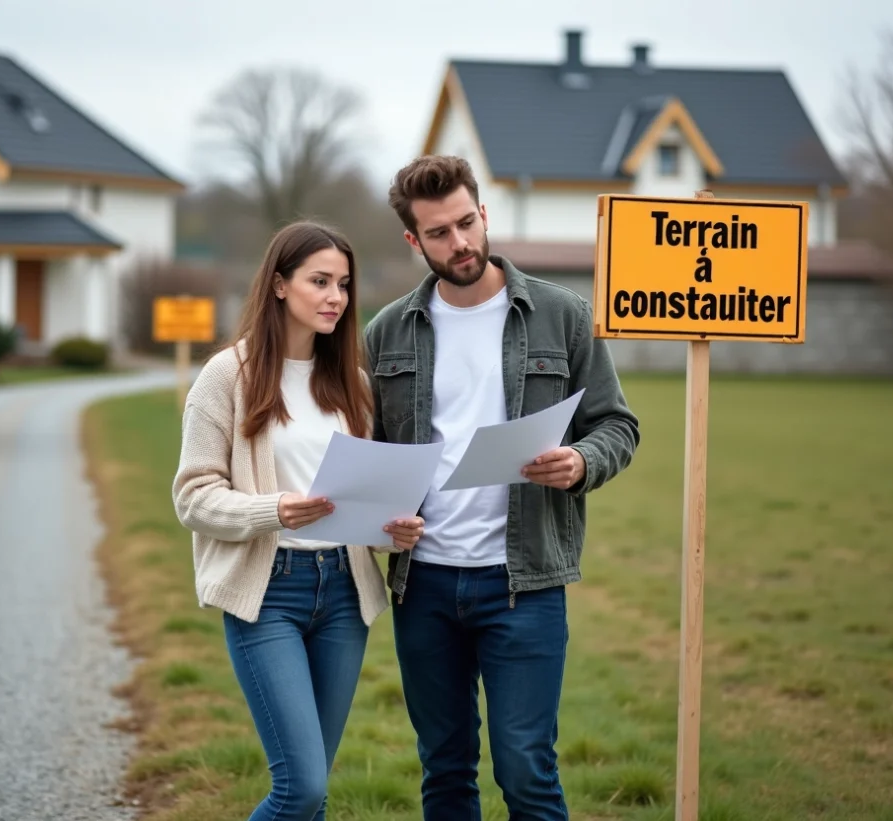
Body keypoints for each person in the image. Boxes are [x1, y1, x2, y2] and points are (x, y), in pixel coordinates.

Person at [363, 155, 641, 820]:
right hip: (424, 584)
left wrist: (580, 462)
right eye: (439, 233)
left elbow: (617, 425)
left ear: (484, 214)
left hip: (524, 581)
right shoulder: (385, 332)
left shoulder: (562, 314)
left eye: (467, 223)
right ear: (413, 240)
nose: (459, 242)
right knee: (444, 768)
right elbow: (368, 455)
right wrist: (379, 517)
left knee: (526, 770)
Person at [172, 220, 425, 821]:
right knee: (301, 789)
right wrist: (274, 510)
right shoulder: (225, 377)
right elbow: (193, 497)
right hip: (268, 595)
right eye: (320, 281)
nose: (336, 296)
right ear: (280, 284)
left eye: (343, 284)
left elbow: (362, 495)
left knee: (315, 793)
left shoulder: (352, 385)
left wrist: (393, 531)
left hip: (343, 594)